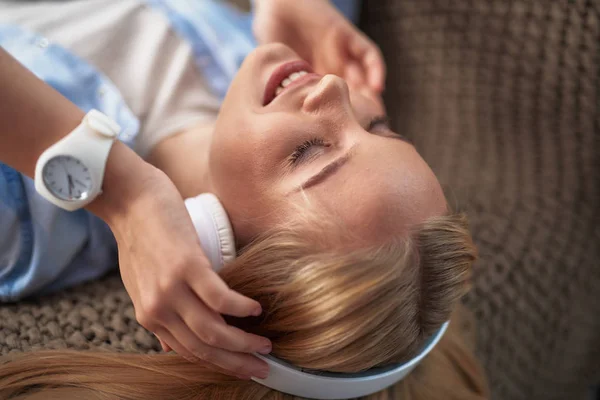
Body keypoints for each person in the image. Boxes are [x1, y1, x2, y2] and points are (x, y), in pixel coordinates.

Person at [0, 1, 488, 396]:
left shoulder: (23, 223)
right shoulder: (297, 47)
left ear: (214, 248)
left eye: (309, 152)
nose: (335, 90)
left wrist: (123, 193)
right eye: (378, 127)